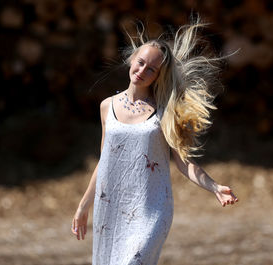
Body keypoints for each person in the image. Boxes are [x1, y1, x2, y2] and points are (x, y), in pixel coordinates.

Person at [71, 19, 238, 265]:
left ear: (159, 76)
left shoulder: (165, 112)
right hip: (111, 206)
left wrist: (213, 186)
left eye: (151, 69)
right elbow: (104, 161)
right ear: (131, 59)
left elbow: (184, 164)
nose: (142, 71)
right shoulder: (107, 107)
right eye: (141, 63)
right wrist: (83, 206)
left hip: (151, 209)